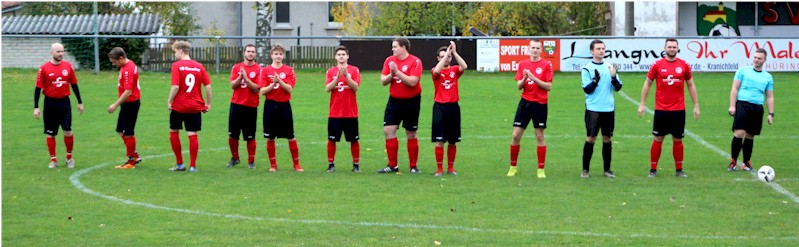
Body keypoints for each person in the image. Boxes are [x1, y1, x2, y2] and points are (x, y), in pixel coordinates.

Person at [637, 38, 699, 178]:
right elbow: (647, 84)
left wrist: (696, 105)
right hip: (661, 109)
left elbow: (690, 85)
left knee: (677, 139)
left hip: (678, 109)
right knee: (658, 138)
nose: (671, 49)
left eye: (674, 47)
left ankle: (679, 170)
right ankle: (653, 170)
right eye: (669, 47)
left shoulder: (684, 65)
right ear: (664, 48)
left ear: (678, 48)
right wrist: (642, 103)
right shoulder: (657, 65)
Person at [507, 39, 553, 178]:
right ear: (529, 49)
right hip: (525, 103)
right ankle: (513, 167)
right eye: (532, 47)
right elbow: (519, 86)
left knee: (539, 136)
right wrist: (525, 78)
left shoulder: (546, 65)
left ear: (541, 50)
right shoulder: (523, 64)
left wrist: (535, 78)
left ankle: (540, 170)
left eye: (537, 48)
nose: (534, 50)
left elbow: (549, 87)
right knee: (515, 135)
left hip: (540, 104)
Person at [377, 37, 423, 174]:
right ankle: (392, 165)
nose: (393, 49)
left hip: (412, 101)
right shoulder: (389, 61)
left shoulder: (415, 61)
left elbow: (413, 82)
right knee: (388, 130)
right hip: (394, 100)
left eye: (395, 46)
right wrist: (391, 74)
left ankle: (413, 166)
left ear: (404, 47)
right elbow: (383, 81)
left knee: (411, 132)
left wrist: (397, 72)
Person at [34, 43, 84, 169]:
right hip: (50, 104)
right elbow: (38, 88)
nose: (61, 54)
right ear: (52, 52)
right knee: (51, 133)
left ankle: (69, 158)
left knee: (68, 130)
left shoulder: (68, 66)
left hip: (64, 103)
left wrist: (79, 102)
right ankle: (53, 160)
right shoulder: (44, 68)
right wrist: (36, 107)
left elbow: (74, 84)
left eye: (62, 51)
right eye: (58, 51)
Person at [580, 39, 622, 179]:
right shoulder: (587, 68)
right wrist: (595, 81)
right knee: (591, 138)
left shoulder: (610, 67)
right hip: (593, 109)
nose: (601, 51)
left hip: (608, 109)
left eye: (603, 48)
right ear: (592, 51)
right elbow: (587, 90)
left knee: (607, 138)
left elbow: (618, 88)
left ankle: (607, 170)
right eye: (598, 48)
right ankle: (585, 170)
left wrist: (614, 77)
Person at [167, 41, 212, 172]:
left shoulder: (176, 66)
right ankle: (193, 166)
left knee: (174, 131)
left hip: (179, 105)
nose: (175, 54)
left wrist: (169, 101)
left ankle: (180, 164)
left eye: (175, 51)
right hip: (194, 106)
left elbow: (175, 86)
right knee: (192, 134)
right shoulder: (199, 66)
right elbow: (208, 86)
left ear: (180, 50)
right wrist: (208, 103)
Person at [727, 48, 774, 172]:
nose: (756, 60)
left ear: (764, 60)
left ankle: (746, 163)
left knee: (750, 135)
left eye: (759, 58)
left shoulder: (768, 77)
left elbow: (769, 96)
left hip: (757, 107)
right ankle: (733, 162)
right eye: (755, 57)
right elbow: (734, 89)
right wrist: (732, 105)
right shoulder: (742, 71)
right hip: (742, 104)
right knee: (739, 133)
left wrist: (771, 113)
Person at [258, 43, 303, 172]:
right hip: (270, 106)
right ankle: (273, 165)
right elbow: (262, 91)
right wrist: (273, 84)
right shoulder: (265, 71)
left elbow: (289, 89)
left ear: (283, 56)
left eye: (280, 54)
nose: (278, 56)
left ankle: (296, 165)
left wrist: (280, 81)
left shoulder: (289, 70)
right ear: (271, 55)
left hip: (284, 106)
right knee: (270, 137)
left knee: (291, 136)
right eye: (275, 54)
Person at [431, 41, 468, 177]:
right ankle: (439, 169)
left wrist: (454, 52)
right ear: (438, 58)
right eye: (442, 57)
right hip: (440, 108)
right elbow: (436, 71)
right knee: (440, 140)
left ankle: (450, 168)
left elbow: (464, 66)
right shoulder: (436, 72)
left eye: (448, 57)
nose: (446, 59)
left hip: (453, 107)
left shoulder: (454, 71)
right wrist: (447, 52)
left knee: (452, 140)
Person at [325, 46, 362, 173]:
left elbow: (355, 87)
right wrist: (336, 78)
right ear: (335, 57)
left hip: (350, 113)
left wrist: (346, 76)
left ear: (347, 56)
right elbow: (328, 88)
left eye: (343, 54)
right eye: (339, 54)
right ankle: (331, 164)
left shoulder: (354, 70)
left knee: (354, 139)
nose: (341, 57)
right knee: (332, 139)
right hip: (335, 113)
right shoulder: (330, 71)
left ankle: (356, 164)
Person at [226, 44, 261, 169]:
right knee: (233, 135)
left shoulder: (259, 69)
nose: (250, 54)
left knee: (250, 136)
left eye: (253, 52)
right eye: (248, 51)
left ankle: (251, 161)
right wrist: (240, 77)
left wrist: (246, 79)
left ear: (255, 54)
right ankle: (235, 158)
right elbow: (233, 85)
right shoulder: (236, 67)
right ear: (244, 53)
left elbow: (257, 89)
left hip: (251, 106)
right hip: (236, 105)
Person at [107, 47, 142, 169]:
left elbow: (128, 91)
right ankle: (134, 154)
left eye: (114, 61)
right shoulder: (127, 65)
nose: (113, 64)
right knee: (120, 130)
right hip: (126, 104)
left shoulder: (128, 69)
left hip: (130, 104)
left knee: (128, 133)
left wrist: (115, 105)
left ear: (121, 58)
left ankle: (131, 161)